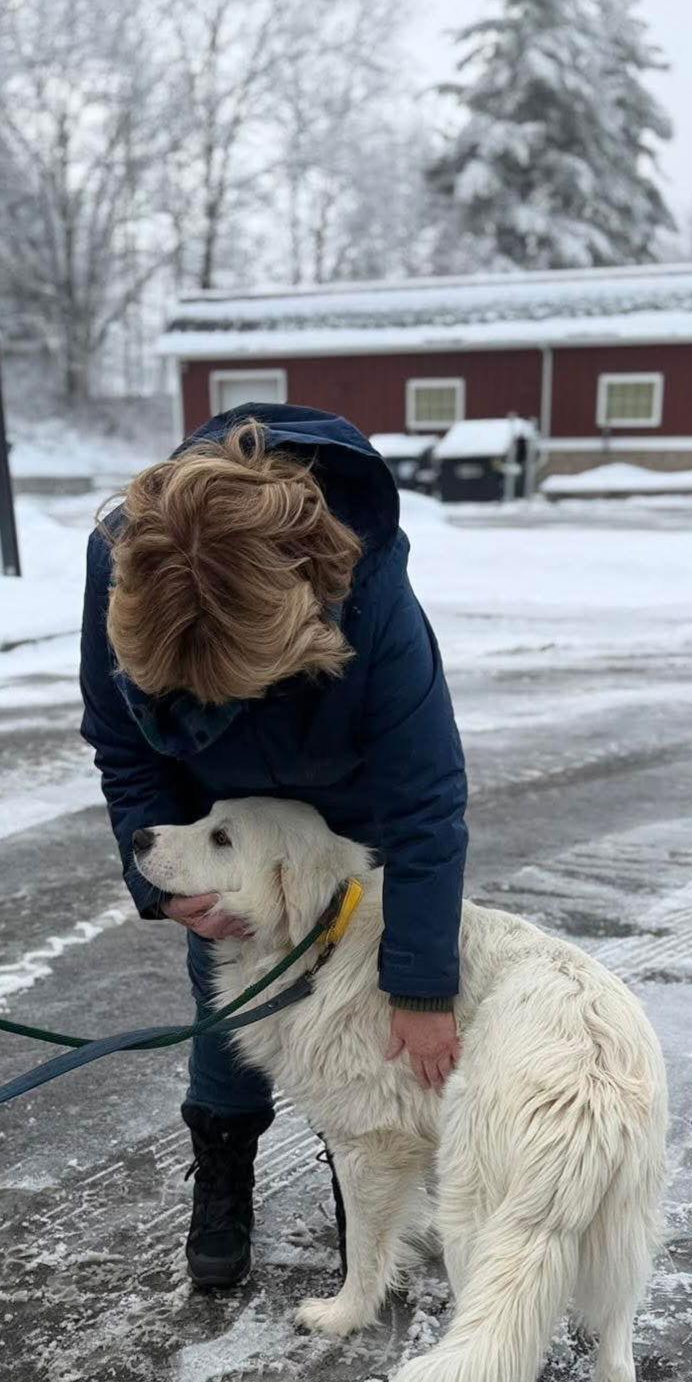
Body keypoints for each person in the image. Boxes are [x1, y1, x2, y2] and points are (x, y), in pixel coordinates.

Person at [79, 404, 467, 1290]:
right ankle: (223, 1164)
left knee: (356, 1003)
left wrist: (421, 982)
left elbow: (426, 803)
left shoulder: (368, 595)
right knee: (232, 997)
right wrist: (166, 888)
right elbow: (123, 744)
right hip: (216, 819)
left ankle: (359, 1173)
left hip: (341, 812)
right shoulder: (121, 567)